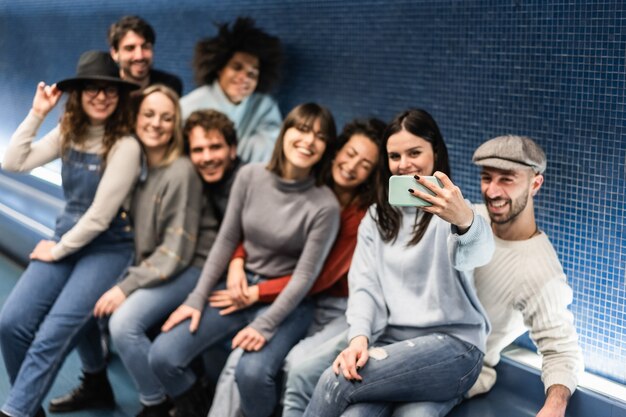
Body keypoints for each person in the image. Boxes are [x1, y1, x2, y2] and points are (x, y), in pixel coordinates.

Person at [287, 108, 495, 417]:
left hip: (455, 347)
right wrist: (359, 338)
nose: (404, 164)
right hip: (394, 344)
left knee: (336, 381)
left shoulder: (461, 213)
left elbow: (476, 254)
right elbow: (365, 289)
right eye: (394, 156)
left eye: (415, 152)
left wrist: (463, 219)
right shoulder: (375, 219)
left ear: (435, 152)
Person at [148, 103, 341, 417]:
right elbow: (226, 240)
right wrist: (196, 300)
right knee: (163, 355)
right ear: (285, 133)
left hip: (286, 303)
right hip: (236, 289)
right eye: (302, 129)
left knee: (251, 373)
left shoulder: (325, 204)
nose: (309, 141)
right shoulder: (251, 176)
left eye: (320, 136)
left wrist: (265, 324)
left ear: (326, 148)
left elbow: (305, 277)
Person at [389, 135, 584, 417]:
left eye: (507, 179)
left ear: (535, 184)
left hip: (457, 371)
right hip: (407, 346)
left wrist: (554, 405)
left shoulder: (540, 271)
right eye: (486, 177)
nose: (492, 191)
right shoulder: (467, 217)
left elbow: (561, 351)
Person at [207, 118, 385, 417]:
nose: (352, 166)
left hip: (336, 304)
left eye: (365, 164)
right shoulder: (309, 183)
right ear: (336, 150)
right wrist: (238, 258)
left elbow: (318, 278)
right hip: (293, 295)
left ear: (372, 174)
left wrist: (256, 293)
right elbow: (258, 224)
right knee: (237, 361)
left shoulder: (360, 217)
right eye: (350, 153)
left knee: (285, 364)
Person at [45, 85, 202, 416]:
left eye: (166, 117)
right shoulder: (135, 162)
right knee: (83, 300)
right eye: (148, 114)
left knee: (123, 324)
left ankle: (156, 402)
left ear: (175, 124)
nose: (156, 123)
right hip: (147, 264)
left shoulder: (181, 171)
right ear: (136, 118)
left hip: (184, 267)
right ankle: (96, 383)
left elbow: (174, 252)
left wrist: (124, 287)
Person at [0, 50, 141, 417]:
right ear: (77, 94)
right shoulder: (69, 131)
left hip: (108, 246)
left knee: (52, 334)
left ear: (119, 95)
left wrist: (58, 250)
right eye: (91, 88)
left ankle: (14, 411)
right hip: (66, 239)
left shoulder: (126, 145)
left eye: (109, 89)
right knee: (11, 323)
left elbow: (99, 218)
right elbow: (13, 162)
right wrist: (38, 113)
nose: (101, 96)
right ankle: (31, 407)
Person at [181, 17, 283, 163]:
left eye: (252, 73)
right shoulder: (188, 106)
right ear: (219, 69)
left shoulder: (264, 107)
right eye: (237, 68)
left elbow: (269, 149)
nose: (244, 78)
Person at [108, 15, 183, 95]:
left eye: (145, 47)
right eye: (130, 48)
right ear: (114, 53)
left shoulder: (170, 86)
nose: (139, 56)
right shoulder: (107, 89)